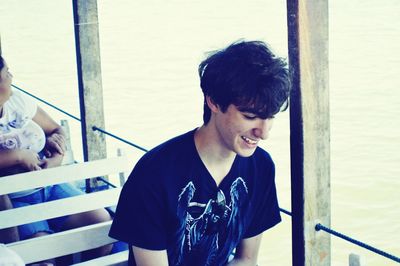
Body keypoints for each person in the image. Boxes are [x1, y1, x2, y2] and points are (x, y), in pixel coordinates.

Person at [109, 40, 290, 266]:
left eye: (270, 117)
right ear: (213, 101)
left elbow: (247, 259)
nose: (263, 133)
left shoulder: (261, 166)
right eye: (250, 116)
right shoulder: (154, 173)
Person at [0, 55, 113, 264]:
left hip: (49, 185)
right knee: (42, 255)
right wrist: (16, 156)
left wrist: (57, 153)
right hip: (15, 200)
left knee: (101, 226)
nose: (12, 77)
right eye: (6, 74)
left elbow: (55, 128)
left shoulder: (18, 101)